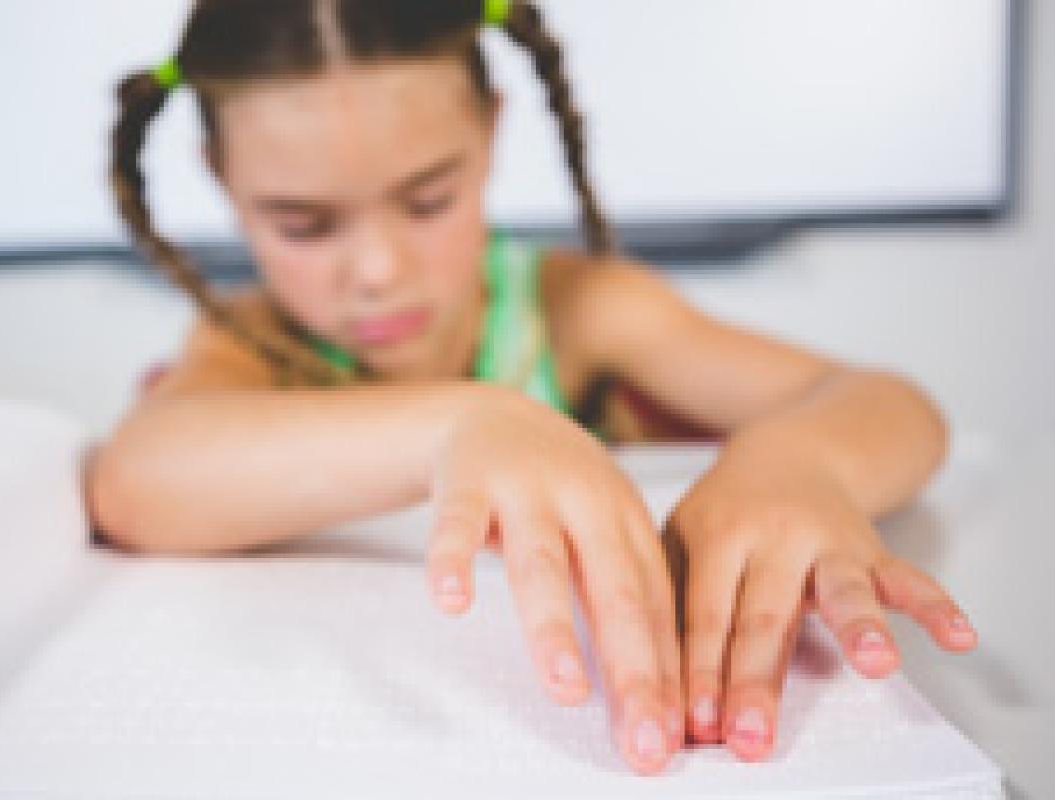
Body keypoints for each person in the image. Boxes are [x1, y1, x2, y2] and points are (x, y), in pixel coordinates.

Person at [87, 0, 978, 776]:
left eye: (429, 199)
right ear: (223, 183)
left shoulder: (581, 309)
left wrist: (800, 460)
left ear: (490, 135)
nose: (377, 271)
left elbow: (893, 406)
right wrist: (464, 425)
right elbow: (136, 479)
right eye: (302, 225)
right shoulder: (248, 345)